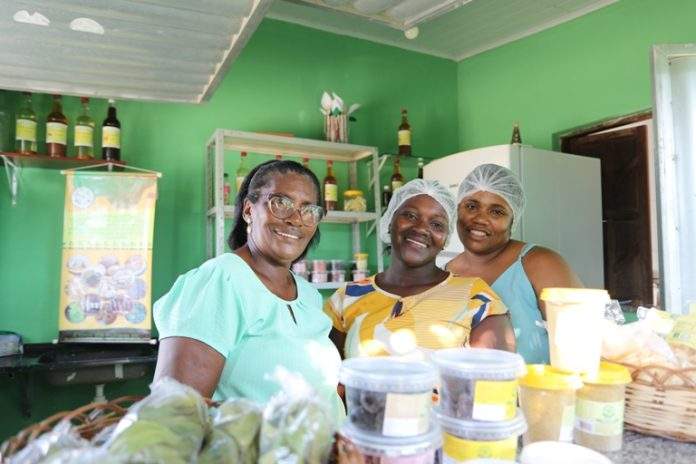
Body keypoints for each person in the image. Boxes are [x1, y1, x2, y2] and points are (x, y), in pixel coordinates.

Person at [153, 159, 344, 421]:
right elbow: (174, 415)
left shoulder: (308, 295)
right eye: (281, 203)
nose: (295, 220)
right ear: (248, 211)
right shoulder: (222, 280)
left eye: (308, 209)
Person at [325, 179, 515, 360]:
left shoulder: (477, 298)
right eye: (410, 215)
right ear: (390, 222)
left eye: (436, 224)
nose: (422, 229)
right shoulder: (347, 298)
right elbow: (327, 382)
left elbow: (497, 386)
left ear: (445, 240)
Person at [447, 163, 583, 364]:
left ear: (513, 220)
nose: (480, 219)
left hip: (533, 394)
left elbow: (582, 344)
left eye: (496, 212)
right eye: (471, 206)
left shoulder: (540, 264)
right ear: (457, 210)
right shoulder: (445, 274)